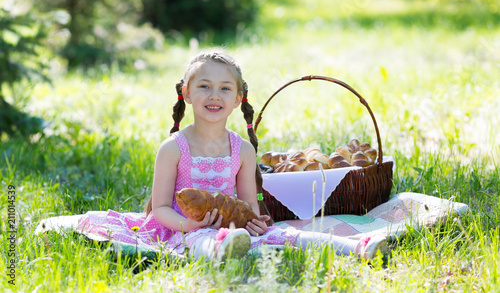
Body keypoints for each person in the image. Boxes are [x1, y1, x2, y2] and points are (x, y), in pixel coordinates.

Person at [77, 50, 387, 261]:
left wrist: (255, 222)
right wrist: (192, 226)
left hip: (236, 228)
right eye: (204, 86)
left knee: (286, 236)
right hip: (185, 230)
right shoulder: (172, 148)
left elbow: (249, 202)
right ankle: (223, 249)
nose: (214, 95)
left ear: (239, 98)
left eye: (225, 89)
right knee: (202, 244)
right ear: (186, 93)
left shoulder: (243, 149)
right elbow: (159, 209)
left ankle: (356, 246)